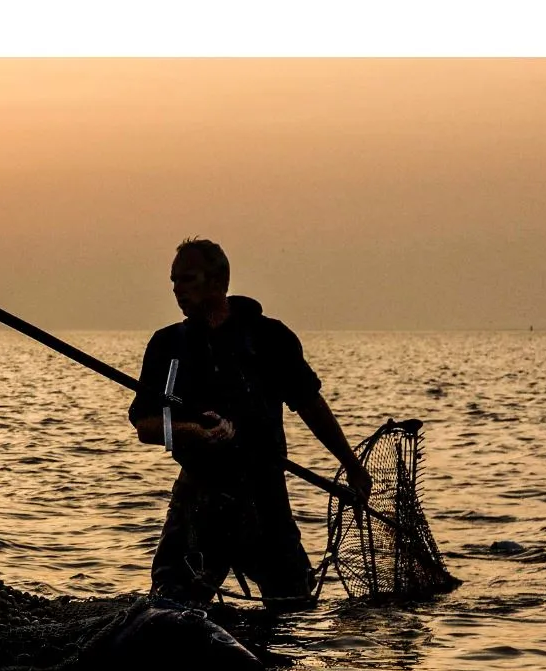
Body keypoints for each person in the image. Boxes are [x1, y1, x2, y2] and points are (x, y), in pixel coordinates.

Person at [129, 238, 372, 612]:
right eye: (174, 280)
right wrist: (195, 433)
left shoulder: (270, 338)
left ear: (218, 281)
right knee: (167, 610)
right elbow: (146, 426)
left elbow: (310, 405)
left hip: (264, 496)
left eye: (188, 279)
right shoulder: (167, 345)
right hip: (199, 498)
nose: (177, 289)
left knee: (293, 607)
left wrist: (352, 466)